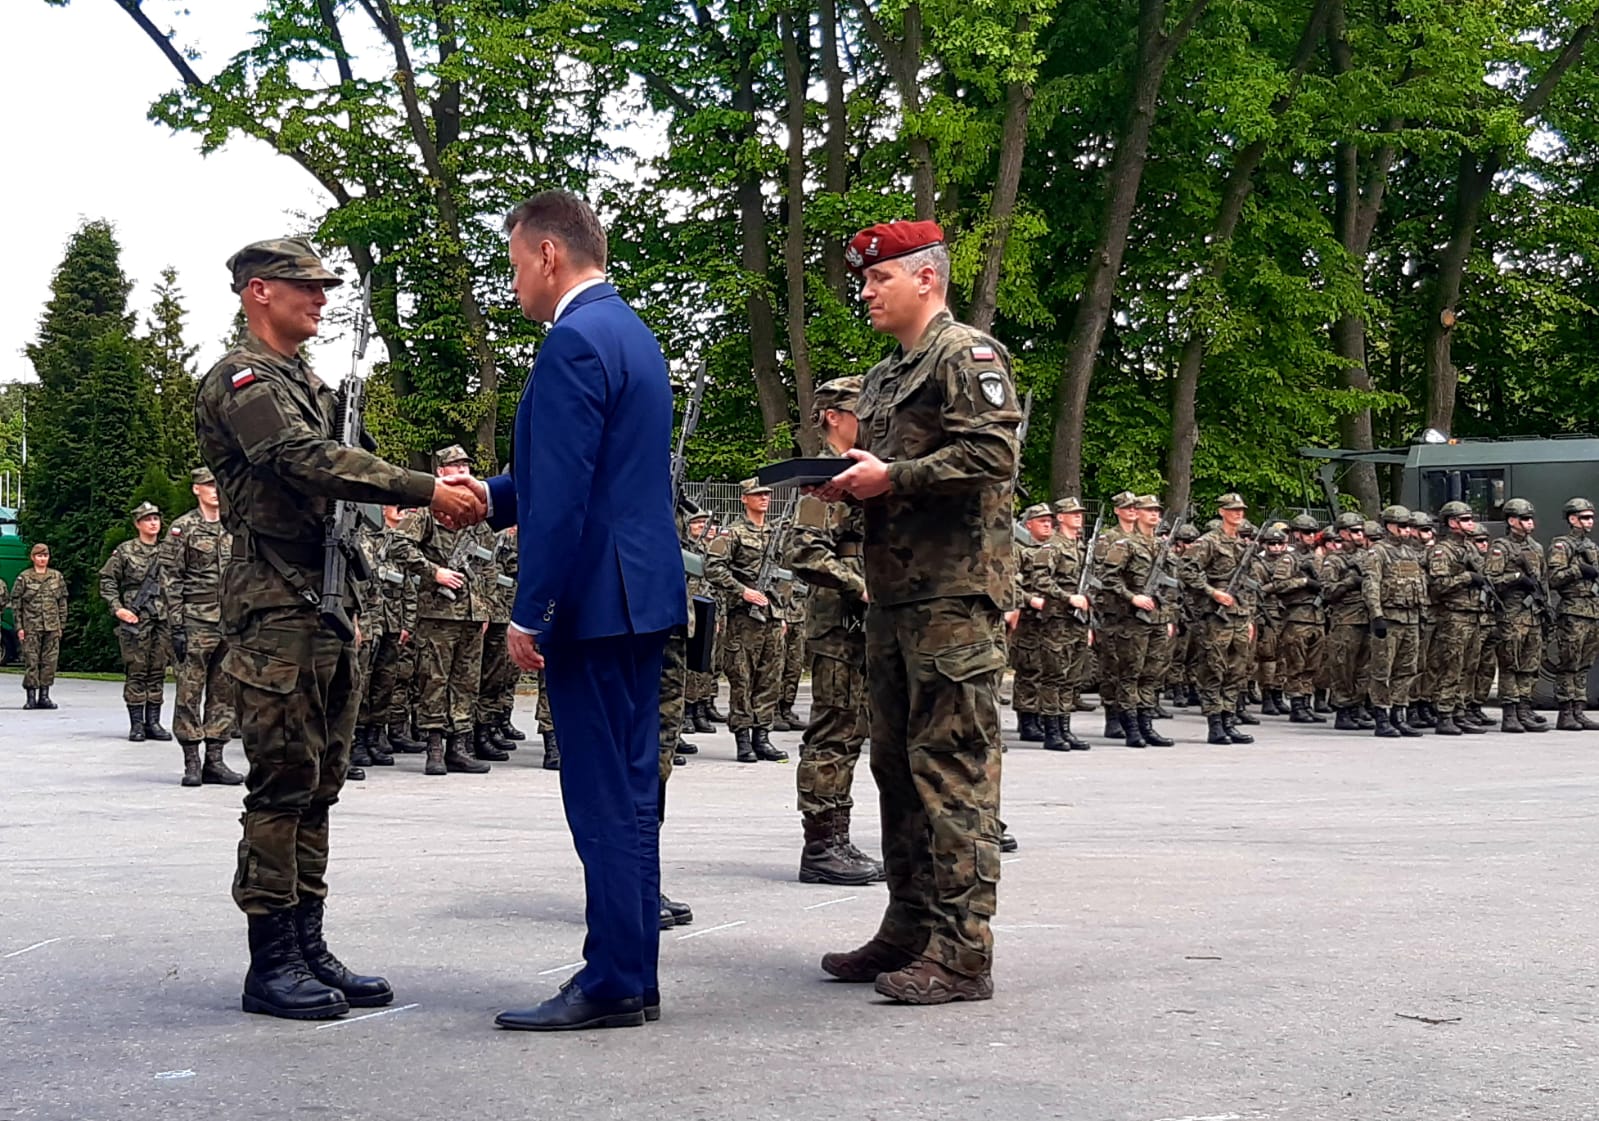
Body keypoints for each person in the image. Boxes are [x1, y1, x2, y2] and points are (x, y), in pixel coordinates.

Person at [195, 235, 484, 1021]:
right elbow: (301, 459)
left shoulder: (309, 382)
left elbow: (345, 471)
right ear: (258, 290)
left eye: (325, 287)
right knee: (281, 781)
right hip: (275, 604)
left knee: (321, 780)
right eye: (305, 286)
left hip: (325, 600)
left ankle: (308, 941)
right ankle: (271, 960)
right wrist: (425, 487)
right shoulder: (242, 378)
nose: (321, 299)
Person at [473, 190, 686, 1031]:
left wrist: (533, 610)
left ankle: (612, 981)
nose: (514, 282)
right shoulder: (629, 331)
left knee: (601, 796)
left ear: (548, 254)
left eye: (515, 264)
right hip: (638, 597)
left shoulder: (570, 342)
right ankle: (632, 971)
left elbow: (563, 497)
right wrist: (489, 496)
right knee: (630, 791)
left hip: (592, 603)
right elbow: (594, 474)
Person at [816, 219, 1021, 1005]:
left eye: (880, 278)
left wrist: (891, 477)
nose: (866, 292)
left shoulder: (966, 354)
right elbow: (892, 469)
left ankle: (962, 953)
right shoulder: (882, 377)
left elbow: (993, 455)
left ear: (926, 277)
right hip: (893, 595)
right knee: (895, 768)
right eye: (863, 281)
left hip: (952, 599)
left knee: (952, 769)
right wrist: (847, 481)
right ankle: (908, 927)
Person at [787, 375, 883, 885]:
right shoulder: (824, 479)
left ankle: (842, 838)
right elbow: (804, 552)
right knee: (835, 732)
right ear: (832, 416)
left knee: (864, 731)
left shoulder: (866, 473)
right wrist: (860, 586)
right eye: (859, 412)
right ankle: (823, 845)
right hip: (840, 628)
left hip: (875, 626)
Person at [400, 446, 496, 776]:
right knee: (433, 680)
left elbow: (487, 563)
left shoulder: (476, 512)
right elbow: (397, 545)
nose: (461, 470)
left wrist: (485, 607)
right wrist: (434, 572)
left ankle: (460, 747)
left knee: (466, 682)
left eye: (465, 465)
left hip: (471, 614)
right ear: (441, 471)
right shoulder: (426, 509)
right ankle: (434, 747)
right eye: (455, 466)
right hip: (437, 612)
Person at [164, 467, 245, 786]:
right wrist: (176, 625)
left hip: (230, 621)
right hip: (195, 621)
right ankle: (192, 760)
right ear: (196, 489)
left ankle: (215, 758)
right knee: (189, 691)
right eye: (208, 485)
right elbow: (170, 579)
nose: (215, 489)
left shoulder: (235, 526)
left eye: (218, 483)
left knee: (224, 691)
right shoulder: (183, 529)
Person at [706, 479, 792, 763]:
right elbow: (712, 568)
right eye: (758, 494)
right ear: (744, 498)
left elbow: (783, 576)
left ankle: (762, 736)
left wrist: (781, 613)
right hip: (743, 618)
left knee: (770, 678)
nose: (764, 498)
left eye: (767, 494)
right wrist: (743, 591)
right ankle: (743, 738)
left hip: (771, 616)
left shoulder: (775, 533)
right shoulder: (734, 533)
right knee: (742, 679)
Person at [1179, 493, 1257, 745]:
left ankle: (1229, 720)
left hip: (1240, 614)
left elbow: (1248, 585)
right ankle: (1215, 723)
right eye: (1232, 509)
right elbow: (1186, 570)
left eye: (1241, 510)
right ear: (1222, 511)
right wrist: (1212, 592)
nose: (1238, 513)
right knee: (1214, 668)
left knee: (1237, 670)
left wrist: (1250, 617)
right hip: (1216, 617)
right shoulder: (1208, 542)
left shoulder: (1243, 545)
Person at [100, 502, 175, 743]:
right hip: (136, 618)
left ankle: (154, 722)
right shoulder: (125, 551)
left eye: (156, 518)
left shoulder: (169, 551)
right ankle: (137, 724)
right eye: (147, 519)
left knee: (158, 669)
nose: (153, 523)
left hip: (163, 617)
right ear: (137, 524)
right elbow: (107, 580)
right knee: (137, 669)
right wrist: (118, 608)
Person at [1487, 498, 1550, 734]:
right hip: (1512, 616)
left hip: (1533, 615)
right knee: (1510, 665)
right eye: (1524, 518)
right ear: (1512, 521)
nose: (1530, 522)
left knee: (1530, 666)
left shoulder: (1536, 548)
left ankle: (1524, 708)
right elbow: (1491, 580)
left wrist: (1545, 607)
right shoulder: (1501, 548)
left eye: (1531, 518)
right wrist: (1516, 579)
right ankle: (1510, 713)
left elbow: (1543, 581)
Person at [1362, 505, 1426, 737]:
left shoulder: (1410, 553)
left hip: (1411, 618)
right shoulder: (1378, 552)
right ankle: (1381, 716)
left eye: (1409, 526)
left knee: (1407, 669)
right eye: (1403, 526)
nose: (1407, 530)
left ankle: (1399, 714)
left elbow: (1420, 585)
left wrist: (1422, 615)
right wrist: (1376, 615)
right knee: (1382, 669)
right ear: (1390, 526)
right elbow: (1371, 584)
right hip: (1389, 619)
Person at [1547, 497, 1599, 730]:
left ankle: (1579, 709)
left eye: (1591, 517)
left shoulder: (1591, 547)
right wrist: (1578, 570)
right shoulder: (1562, 545)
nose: (1590, 521)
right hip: (1573, 611)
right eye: (1585, 517)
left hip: (1592, 611)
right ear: (1572, 519)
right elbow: (1554, 578)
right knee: (1569, 662)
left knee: (1585, 664)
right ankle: (1566, 711)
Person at [13, 543, 67, 710]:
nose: (42, 559)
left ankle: (44, 696)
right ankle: (31, 697)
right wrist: (19, 627)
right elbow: (16, 604)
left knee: (50, 662)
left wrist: (61, 625)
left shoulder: (56, 577)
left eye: (45, 556)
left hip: (52, 626)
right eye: (39, 556)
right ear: (33, 557)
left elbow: (62, 602)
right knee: (32, 661)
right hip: (31, 626)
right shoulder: (24, 578)